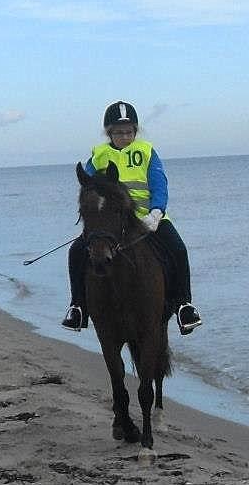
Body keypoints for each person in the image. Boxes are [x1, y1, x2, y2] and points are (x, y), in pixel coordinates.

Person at [62, 100, 202, 335]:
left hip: (147, 218)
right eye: (119, 132)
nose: (125, 136)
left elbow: (159, 184)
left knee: (178, 249)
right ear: (109, 132)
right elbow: (88, 186)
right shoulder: (99, 155)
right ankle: (78, 307)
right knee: (76, 252)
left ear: (135, 131)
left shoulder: (146, 151)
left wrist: (157, 212)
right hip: (111, 222)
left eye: (129, 132)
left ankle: (184, 305)